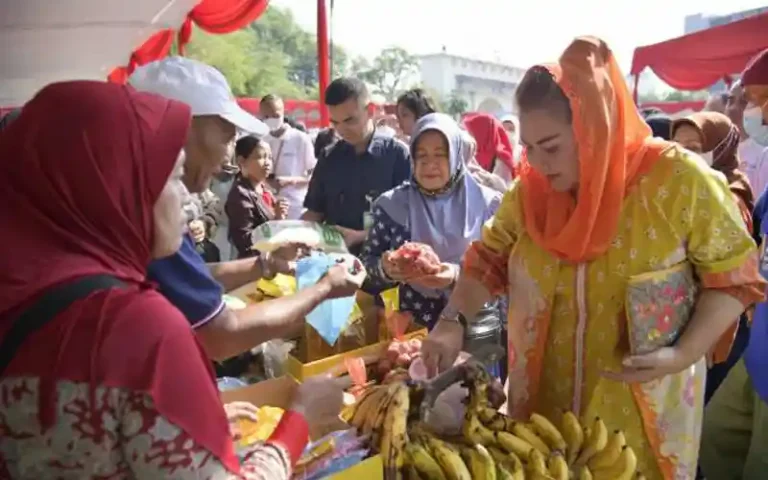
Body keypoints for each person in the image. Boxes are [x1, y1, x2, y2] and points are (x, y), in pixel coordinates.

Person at [420, 37, 765, 479]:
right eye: (529, 148)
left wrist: (684, 352)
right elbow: (487, 259)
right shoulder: (530, 194)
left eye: (552, 146)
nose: (539, 164)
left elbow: (734, 275)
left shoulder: (677, 181)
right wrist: (453, 323)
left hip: (639, 413)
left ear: (594, 126)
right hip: (543, 408)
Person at [0, 80, 349, 479]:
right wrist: (300, 421)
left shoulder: (25, 286)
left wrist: (191, 416)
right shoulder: (135, 328)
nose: (185, 200)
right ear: (116, 182)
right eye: (170, 178)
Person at [130, 57, 360, 363]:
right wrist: (324, 289)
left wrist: (267, 264)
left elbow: (192, 275)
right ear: (181, 130)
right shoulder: (151, 212)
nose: (228, 156)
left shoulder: (151, 200)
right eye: (227, 137)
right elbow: (221, 335)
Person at [360, 113, 501, 331]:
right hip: (411, 332)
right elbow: (365, 266)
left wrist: (455, 275)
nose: (429, 165)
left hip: (472, 329)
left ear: (455, 157)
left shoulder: (488, 205)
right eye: (421, 156)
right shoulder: (391, 206)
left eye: (440, 155)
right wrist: (385, 269)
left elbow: (502, 269)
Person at [701, 48, 768, 479]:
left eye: (763, 100)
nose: (755, 113)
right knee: (714, 440)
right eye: (751, 100)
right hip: (758, 357)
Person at [671, 111, 755, 403]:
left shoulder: (729, 198)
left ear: (720, 149)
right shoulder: (681, 193)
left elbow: (730, 279)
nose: (681, 156)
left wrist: (706, 339)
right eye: (676, 147)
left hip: (713, 331)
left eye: (693, 149)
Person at [302, 77, 411, 256]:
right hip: (333, 263)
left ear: (370, 111)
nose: (342, 130)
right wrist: (291, 234)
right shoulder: (329, 157)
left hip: (383, 265)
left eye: (349, 120)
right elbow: (315, 212)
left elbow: (410, 219)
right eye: (335, 123)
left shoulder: (397, 156)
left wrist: (361, 236)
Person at [227, 136, 289, 259]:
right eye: (260, 157)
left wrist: (279, 216)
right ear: (242, 161)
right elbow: (245, 242)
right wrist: (276, 222)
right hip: (256, 266)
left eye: (269, 157)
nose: (267, 163)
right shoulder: (241, 195)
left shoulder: (265, 189)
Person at [260, 94, 316, 220]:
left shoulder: (300, 139)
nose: (271, 120)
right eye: (266, 116)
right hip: (268, 206)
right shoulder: (261, 140)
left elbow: (316, 176)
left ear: (283, 112)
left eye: (275, 115)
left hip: (296, 206)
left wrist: (291, 181)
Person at [725, 79, 768, 194]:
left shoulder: (764, 151)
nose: (733, 108)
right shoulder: (720, 149)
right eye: (730, 101)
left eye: (744, 102)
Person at [462, 112, 516, 183]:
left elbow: (503, 189)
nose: (468, 137)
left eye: (471, 133)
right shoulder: (470, 154)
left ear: (482, 133)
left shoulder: (502, 162)